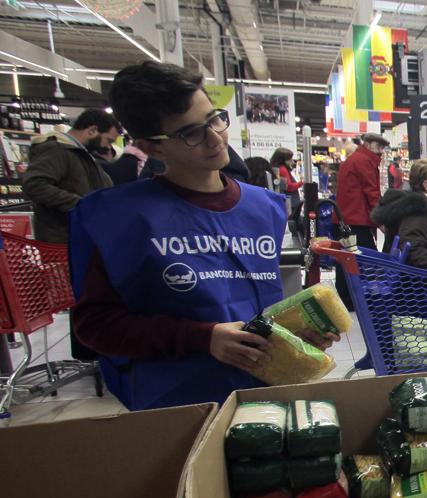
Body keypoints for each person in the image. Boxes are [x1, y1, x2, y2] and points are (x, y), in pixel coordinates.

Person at [68, 60, 338, 411]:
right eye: (191, 133)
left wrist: (298, 335)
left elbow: (261, 311)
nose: (215, 139)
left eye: (215, 119)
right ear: (153, 147)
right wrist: (203, 338)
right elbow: (94, 327)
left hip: (262, 398)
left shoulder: (265, 208)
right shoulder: (118, 219)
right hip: (176, 404)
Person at [21, 108, 120, 243]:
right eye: (108, 140)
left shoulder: (79, 154)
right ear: (92, 131)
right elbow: (34, 184)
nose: (108, 147)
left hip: (80, 238)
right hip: (63, 241)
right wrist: (81, 205)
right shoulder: (56, 149)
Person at [336, 132, 387, 251]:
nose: (381, 150)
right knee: (368, 262)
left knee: (349, 260)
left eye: (383, 147)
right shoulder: (364, 161)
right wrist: (381, 220)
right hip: (356, 220)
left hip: (348, 217)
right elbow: (371, 192)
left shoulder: (355, 159)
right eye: (378, 146)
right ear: (368, 144)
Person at [271, 147, 302, 219]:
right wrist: (301, 182)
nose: (291, 161)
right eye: (289, 159)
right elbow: (289, 186)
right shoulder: (283, 169)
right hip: (291, 202)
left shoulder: (276, 168)